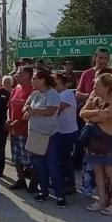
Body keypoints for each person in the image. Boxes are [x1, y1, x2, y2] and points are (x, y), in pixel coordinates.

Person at [80, 73, 112, 216]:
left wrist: (92, 115)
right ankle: (101, 200)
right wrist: (96, 111)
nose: (94, 87)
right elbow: (82, 113)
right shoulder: (95, 99)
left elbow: (104, 116)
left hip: (109, 140)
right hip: (95, 139)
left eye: (98, 85)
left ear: (107, 88)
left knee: (111, 172)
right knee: (97, 170)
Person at [24, 70, 66, 207]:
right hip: (36, 135)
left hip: (51, 135)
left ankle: (60, 195)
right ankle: (44, 191)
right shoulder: (34, 94)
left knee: (52, 165)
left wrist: (34, 111)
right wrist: (27, 109)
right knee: (39, 165)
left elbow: (50, 111)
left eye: (34, 78)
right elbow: (26, 106)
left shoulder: (52, 93)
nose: (32, 80)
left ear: (42, 80)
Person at [7, 66, 34, 190]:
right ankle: (21, 179)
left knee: (29, 159)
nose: (16, 76)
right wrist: (9, 119)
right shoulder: (15, 89)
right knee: (16, 157)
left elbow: (31, 112)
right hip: (14, 130)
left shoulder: (33, 90)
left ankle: (34, 183)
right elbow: (10, 106)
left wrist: (18, 122)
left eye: (19, 74)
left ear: (28, 75)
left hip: (26, 131)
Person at [54, 73, 79, 194]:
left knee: (66, 159)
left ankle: (70, 184)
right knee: (59, 158)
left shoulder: (67, 94)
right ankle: (62, 182)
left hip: (68, 132)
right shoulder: (56, 94)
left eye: (55, 80)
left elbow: (57, 109)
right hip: (58, 131)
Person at [0, 72, 11, 177]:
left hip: (1, 126)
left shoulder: (6, 93)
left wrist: (8, 121)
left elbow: (10, 109)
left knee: (0, 150)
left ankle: (0, 170)